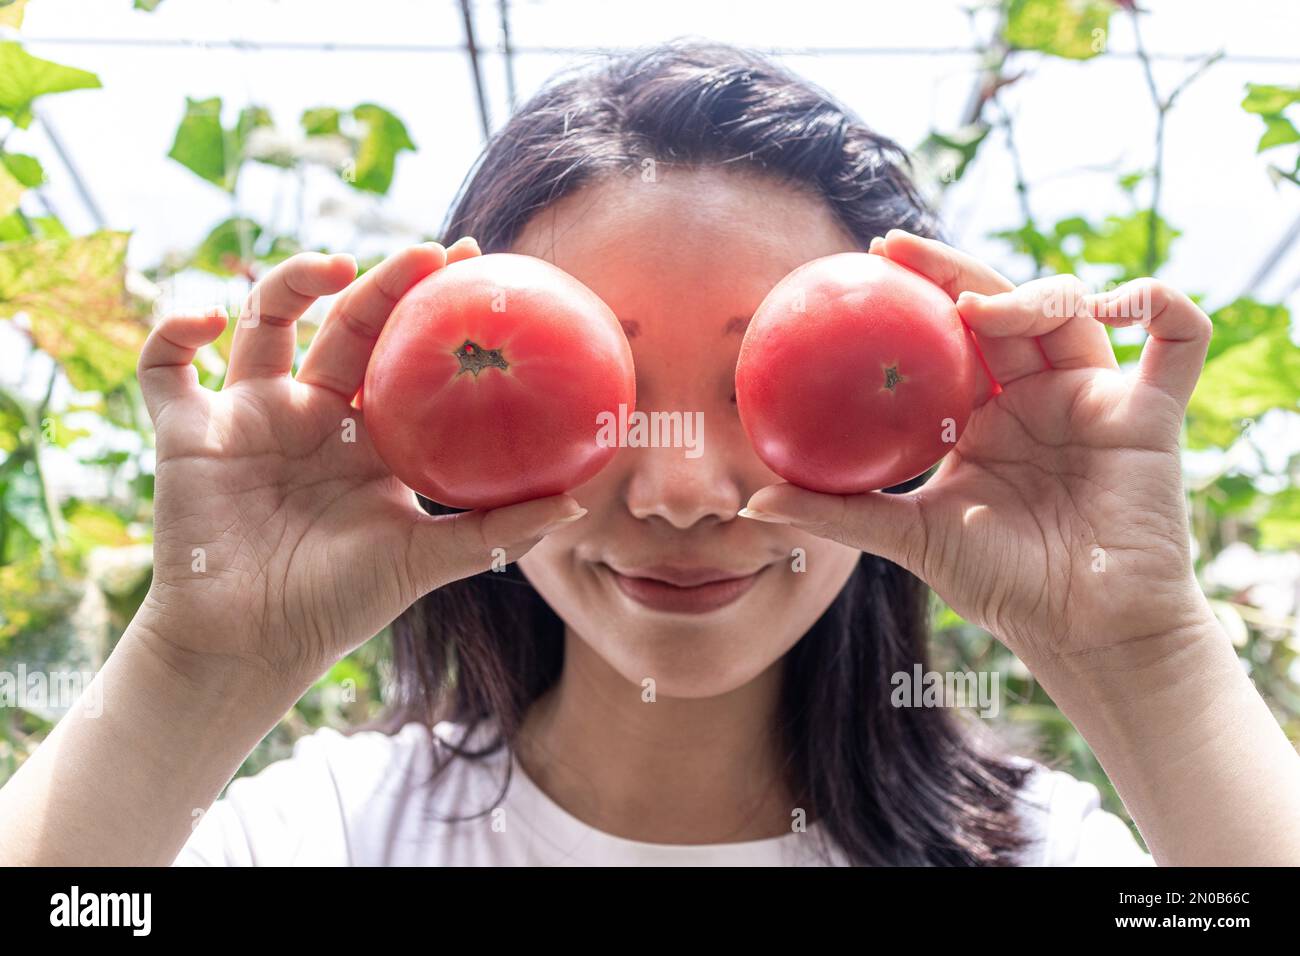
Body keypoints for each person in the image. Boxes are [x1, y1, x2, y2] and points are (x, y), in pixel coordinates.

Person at [2, 40, 1297, 867]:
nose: (681, 491)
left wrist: (1150, 661)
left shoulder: (1042, 856)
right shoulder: (324, 835)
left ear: (932, 413)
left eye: (773, 385)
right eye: (596, 389)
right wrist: (193, 670)